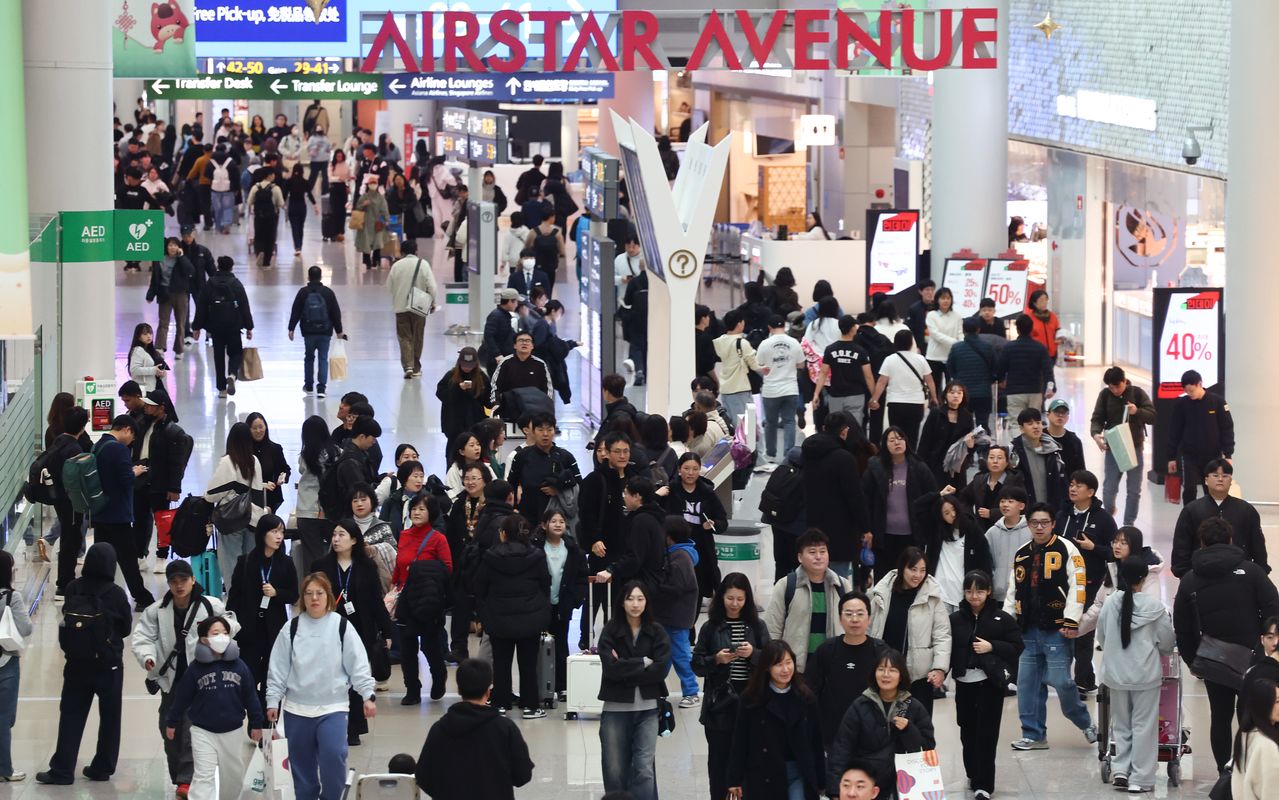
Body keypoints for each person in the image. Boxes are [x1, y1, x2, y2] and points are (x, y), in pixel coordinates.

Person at [1173, 517, 1279, 772]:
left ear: (1202, 543)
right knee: (1252, 717)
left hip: (1212, 659)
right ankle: (1248, 770)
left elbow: (1183, 627)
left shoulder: (1190, 579)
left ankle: (1223, 771)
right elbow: (1273, 606)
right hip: (1251, 657)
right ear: (1231, 540)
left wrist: (1192, 660)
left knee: (1219, 717)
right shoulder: (1251, 571)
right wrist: (1266, 643)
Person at [266, 573, 378, 800]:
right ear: (302, 598)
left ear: (328, 597)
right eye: (308, 593)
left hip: (333, 707)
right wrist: (272, 700)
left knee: (334, 755)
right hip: (297, 709)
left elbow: (358, 664)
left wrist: (367, 694)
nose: (314, 598)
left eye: (319, 593)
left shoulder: (342, 627)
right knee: (302, 768)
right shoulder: (291, 628)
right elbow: (277, 668)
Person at [132, 558, 238, 797]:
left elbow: (231, 623)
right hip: (170, 680)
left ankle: (187, 779)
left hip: (201, 678)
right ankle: (178, 775)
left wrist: (219, 636)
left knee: (191, 727)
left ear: (193, 580)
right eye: (174, 581)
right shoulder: (156, 611)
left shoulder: (209, 606)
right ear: (169, 584)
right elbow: (142, 638)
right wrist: (148, 657)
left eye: (184, 580)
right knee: (169, 728)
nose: (179, 586)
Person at [36, 543, 132, 786]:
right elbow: (126, 628)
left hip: (77, 663)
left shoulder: (73, 588)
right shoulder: (116, 593)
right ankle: (102, 767)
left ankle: (62, 770)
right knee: (110, 717)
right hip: (108, 664)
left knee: (71, 715)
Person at [1003, 502, 1096, 750]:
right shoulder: (1022, 553)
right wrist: (1006, 622)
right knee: (1027, 684)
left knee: (1061, 681)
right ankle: (1033, 734)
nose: (1040, 527)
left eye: (1045, 522)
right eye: (1034, 523)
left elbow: (1077, 585)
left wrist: (1071, 619)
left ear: (1053, 524)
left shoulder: (1067, 548)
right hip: (1027, 631)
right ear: (1028, 525)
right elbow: (1013, 590)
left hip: (1057, 629)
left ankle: (1084, 721)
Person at [1095, 556, 1175, 793]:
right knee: (1144, 726)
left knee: (1121, 724)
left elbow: (1101, 637)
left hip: (1116, 675)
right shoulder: (1155, 607)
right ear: (1143, 578)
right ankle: (1140, 778)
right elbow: (1168, 643)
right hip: (1145, 675)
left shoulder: (1110, 603)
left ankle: (1121, 770)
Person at [164, 615, 265, 800]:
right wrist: (172, 721)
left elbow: (251, 696)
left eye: (225, 633)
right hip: (203, 731)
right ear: (204, 639)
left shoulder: (239, 667)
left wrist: (257, 723)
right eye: (216, 633)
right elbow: (182, 698)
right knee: (203, 776)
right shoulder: (195, 669)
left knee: (233, 777)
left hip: (232, 731)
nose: (221, 637)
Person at [314, 519, 394, 747]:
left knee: (355, 679)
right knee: (331, 679)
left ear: (354, 540)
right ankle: (329, 725)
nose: (336, 539)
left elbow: (376, 601)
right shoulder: (321, 566)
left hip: (360, 629)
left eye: (342, 535)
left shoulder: (366, 566)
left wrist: (386, 629)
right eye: (334, 535)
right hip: (328, 629)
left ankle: (354, 728)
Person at [693, 573, 771, 800]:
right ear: (721, 598)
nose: (735, 604)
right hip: (720, 705)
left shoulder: (757, 627)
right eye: (730, 598)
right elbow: (696, 665)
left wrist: (753, 655)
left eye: (740, 599)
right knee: (718, 766)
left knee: (751, 763)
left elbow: (771, 662)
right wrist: (716, 659)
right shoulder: (710, 627)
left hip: (751, 702)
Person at [949, 570, 1023, 800]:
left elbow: (1016, 646)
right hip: (964, 683)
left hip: (990, 684)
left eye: (979, 591)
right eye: (969, 591)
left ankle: (984, 785)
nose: (974, 596)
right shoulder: (955, 619)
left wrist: (992, 647)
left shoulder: (1002, 618)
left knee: (987, 734)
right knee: (967, 731)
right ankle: (973, 774)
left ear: (989, 591)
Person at [415, 658, 534, 800]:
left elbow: (423, 776)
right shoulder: (505, 728)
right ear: (488, 692)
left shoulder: (440, 729)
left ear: (459, 689)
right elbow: (522, 775)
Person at [826, 648, 936, 800]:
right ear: (874, 673)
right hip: (866, 785)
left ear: (901, 675)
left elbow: (927, 749)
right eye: (881, 669)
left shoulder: (914, 706)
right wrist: (835, 791)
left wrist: (909, 730)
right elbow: (842, 748)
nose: (886, 675)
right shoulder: (860, 705)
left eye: (892, 670)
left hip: (904, 785)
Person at [598, 580, 672, 800]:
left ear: (647, 602)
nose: (635, 604)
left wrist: (625, 667)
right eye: (630, 598)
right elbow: (609, 669)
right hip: (615, 709)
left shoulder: (656, 631)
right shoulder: (611, 630)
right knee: (614, 770)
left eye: (640, 598)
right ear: (621, 602)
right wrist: (642, 663)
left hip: (648, 708)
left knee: (643, 768)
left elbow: (660, 670)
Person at [725, 640, 825, 800]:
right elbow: (740, 740)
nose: (785, 669)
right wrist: (734, 779)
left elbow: (816, 742)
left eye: (788, 662)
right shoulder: (751, 699)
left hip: (799, 770)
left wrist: (821, 781)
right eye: (778, 664)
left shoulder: (806, 697)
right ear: (767, 667)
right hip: (764, 771)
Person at [475, 514, 551, 717]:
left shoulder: (491, 556)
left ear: (502, 534)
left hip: (499, 618)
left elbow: (480, 587)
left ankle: (500, 703)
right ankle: (531, 706)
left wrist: (485, 613)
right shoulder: (537, 555)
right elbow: (545, 584)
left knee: (501, 663)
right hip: (530, 617)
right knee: (528, 664)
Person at [866, 547, 950, 716]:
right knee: (883, 725)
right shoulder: (881, 593)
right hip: (886, 672)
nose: (918, 575)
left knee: (915, 728)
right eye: (913, 569)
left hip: (918, 676)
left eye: (922, 570)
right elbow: (869, 627)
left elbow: (942, 635)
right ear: (902, 568)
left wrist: (940, 668)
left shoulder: (933, 597)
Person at [224, 515, 298, 707]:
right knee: (248, 678)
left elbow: (294, 595)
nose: (279, 536)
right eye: (274, 531)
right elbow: (234, 597)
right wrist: (230, 626)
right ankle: (256, 717)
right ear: (262, 534)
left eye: (281, 531)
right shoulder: (246, 561)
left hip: (274, 630)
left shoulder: (286, 563)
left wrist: (277, 593)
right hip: (249, 631)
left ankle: (267, 725)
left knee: (272, 679)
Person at [1054, 469, 1117, 693]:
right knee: (1063, 629)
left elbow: (1115, 552)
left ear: (1090, 491)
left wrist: (1093, 548)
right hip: (1062, 582)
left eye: (1079, 485)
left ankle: (1083, 680)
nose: (1073, 488)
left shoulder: (1104, 519)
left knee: (1083, 632)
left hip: (1090, 582)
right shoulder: (1062, 515)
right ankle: (1062, 678)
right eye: (1071, 484)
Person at [763, 529, 852, 674]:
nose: (818, 557)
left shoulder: (842, 586)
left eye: (823, 551)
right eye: (812, 552)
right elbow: (773, 628)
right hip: (796, 669)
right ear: (800, 557)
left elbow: (853, 626)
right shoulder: (786, 585)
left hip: (832, 667)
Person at [394, 494, 453, 704]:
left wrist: (421, 571)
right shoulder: (403, 535)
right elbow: (399, 566)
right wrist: (394, 588)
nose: (416, 513)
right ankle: (412, 688)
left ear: (431, 513)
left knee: (430, 645)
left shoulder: (438, 538)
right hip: (406, 597)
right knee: (407, 647)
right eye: (414, 508)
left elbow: (447, 569)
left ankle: (439, 676)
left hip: (428, 599)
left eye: (422, 509)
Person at [806, 592, 885, 748]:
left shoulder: (881, 651)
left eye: (860, 614)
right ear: (840, 619)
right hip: (833, 734)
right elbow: (810, 690)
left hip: (871, 734)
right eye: (848, 614)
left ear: (869, 619)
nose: (854, 619)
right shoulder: (826, 650)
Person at [92, 415, 155, 609]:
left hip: (100, 511)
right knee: (128, 559)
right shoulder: (118, 449)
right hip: (117, 514)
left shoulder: (98, 445)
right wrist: (135, 472)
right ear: (127, 429)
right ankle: (142, 598)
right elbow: (125, 480)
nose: (132, 441)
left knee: (102, 557)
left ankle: (98, 596)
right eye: (133, 436)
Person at [799, 413, 871, 579]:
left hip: (813, 526)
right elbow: (855, 497)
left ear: (824, 428)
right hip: (841, 533)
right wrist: (865, 527)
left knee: (815, 579)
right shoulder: (844, 459)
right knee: (838, 583)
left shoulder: (808, 452)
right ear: (844, 432)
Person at [862, 427, 937, 581]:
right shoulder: (875, 467)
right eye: (892, 439)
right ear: (885, 444)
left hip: (912, 536)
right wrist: (867, 529)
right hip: (883, 537)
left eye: (900, 438)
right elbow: (865, 500)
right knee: (885, 580)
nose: (897, 442)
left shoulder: (919, 467)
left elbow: (933, 497)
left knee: (909, 579)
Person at [1171, 458, 1268, 577]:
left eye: (1225, 475)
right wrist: (1185, 573)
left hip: (1239, 573)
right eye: (1215, 475)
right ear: (1206, 480)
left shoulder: (1246, 510)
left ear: (1231, 481)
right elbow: (1181, 545)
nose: (1220, 479)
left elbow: (1257, 544)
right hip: (1200, 573)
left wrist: (1260, 571)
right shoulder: (1192, 510)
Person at [1089, 366, 1157, 526]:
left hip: (1135, 447)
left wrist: (1137, 411)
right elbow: (1097, 418)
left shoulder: (1138, 393)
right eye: (1110, 387)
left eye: (1117, 386)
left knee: (1134, 490)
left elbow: (1153, 416)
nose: (1114, 391)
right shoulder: (1105, 395)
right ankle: (1109, 512)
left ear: (1124, 381)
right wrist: (1096, 435)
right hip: (1114, 447)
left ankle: (1128, 524)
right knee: (1109, 489)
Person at [205, 421, 268, 587]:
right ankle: (250, 603)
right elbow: (258, 491)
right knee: (251, 567)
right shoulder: (255, 461)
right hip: (254, 519)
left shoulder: (227, 461)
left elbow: (211, 494)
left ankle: (235, 604)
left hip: (232, 520)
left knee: (231, 566)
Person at [532, 509, 587, 696]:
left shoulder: (572, 549)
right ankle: (540, 685)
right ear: (544, 525)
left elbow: (581, 577)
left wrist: (575, 600)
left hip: (562, 605)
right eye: (553, 521)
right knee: (538, 646)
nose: (558, 524)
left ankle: (561, 685)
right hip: (540, 605)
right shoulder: (536, 547)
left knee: (561, 645)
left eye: (561, 521)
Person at [913, 492, 993, 612]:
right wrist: (939, 494)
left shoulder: (973, 531)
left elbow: (985, 563)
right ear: (941, 516)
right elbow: (916, 507)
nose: (953, 514)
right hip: (939, 595)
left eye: (954, 509)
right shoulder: (936, 532)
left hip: (964, 596)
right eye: (946, 513)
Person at [651, 516, 701, 707]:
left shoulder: (680, 557)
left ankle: (691, 691)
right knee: (665, 653)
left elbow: (677, 586)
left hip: (676, 616)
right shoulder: (676, 554)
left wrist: (656, 585)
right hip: (670, 615)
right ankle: (657, 688)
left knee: (680, 655)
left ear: (669, 536)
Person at [1165, 369, 1235, 505]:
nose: (1190, 394)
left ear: (1200, 384)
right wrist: (1171, 457)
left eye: (1192, 390)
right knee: (1189, 489)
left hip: (1213, 456)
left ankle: (1212, 520)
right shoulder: (1182, 404)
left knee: (1211, 490)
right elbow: (1174, 431)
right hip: (1190, 456)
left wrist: (1228, 455)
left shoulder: (1217, 402)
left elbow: (1227, 429)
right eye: (1187, 391)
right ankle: (1189, 519)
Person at [663, 451, 726, 600]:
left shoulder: (707, 493)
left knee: (697, 591)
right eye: (686, 468)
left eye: (695, 469)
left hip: (702, 551)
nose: (690, 473)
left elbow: (722, 521)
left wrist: (713, 524)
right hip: (676, 549)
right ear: (679, 469)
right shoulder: (670, 491)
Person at [192, 256, 254, 399]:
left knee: (218, 357)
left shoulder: (210, 283)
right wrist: (249, 327)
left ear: (218, 267)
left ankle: (221, 389)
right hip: (233, 326)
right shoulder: (236, 284)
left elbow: (201, 306)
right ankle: (232, 373)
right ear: (231, 267)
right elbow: (244, 306)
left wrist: (197, 327)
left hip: (215, 327)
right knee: (236, 353)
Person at [506, 412, 580, 525]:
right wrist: (513, 508)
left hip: (558, 518)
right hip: (528, 515)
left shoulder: (565, 457)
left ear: (554, 431)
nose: (545, 434)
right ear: (533, 431)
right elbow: (511, 484)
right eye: (540, 430)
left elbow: (579, 485)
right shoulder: (522, 456)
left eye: (549, 430)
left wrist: (559, 492)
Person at [869, 330, 936, 450]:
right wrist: (934, 397)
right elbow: (930, 380)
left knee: (897, 434)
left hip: (895, 403)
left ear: (895, 343)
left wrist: (874, 399)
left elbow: (882, 381)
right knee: (913, 435)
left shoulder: (889, 359)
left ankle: (897, 457)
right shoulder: (920, 359)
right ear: (911, 343)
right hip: (916, 403)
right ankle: (911, 460)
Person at [287, 266, 345, 396]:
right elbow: (335, 313)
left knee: (309, 357)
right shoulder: (328, 293)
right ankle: (321, 388)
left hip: (308, 332)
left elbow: (295, 310)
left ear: (308, 277)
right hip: (325, 331)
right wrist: (339, 331)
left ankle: (308, 385)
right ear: (320, 277)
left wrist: (291, 328)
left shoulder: (303, 293)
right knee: (323, 358)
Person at [757, 315, 805, 462]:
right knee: (789, 421)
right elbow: (801, 364)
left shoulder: (765, 344)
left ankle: (770, 455)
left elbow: (759, 364)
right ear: (784, 326)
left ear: (769, 328)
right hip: (790, 388)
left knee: (770, 423)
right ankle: (789, 454)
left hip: (771, 390)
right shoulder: (794, 342)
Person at [0, 552, 31, 781]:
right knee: (4, 717)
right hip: (6, 660)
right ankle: (4, 769)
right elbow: (26, 628)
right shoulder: (12, 597)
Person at [387, 239, 437, 378]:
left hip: (401, 307)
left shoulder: (397, 266)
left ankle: (407, 366)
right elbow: (432, 286)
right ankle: (415, 366)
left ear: (402, 252)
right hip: (419, 307)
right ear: (416, 251)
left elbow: (389, 287)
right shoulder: (423, 264)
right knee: (418, 337)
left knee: (404, 337)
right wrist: (432, 301)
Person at [813, 315, 875, 425]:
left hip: (836, 395)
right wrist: (874, 397)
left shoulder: (830, 349)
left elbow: (823, 373)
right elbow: (868, 376)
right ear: (852, 329)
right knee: (854, 429)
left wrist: (816, 394)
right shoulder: (860, 351)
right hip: (856, 395)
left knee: (836, 429)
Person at [996, 314, 1056, 421]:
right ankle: (1031, 438)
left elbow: (1001, 367)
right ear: (1032, 329)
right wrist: (1051, 387)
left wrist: (1000, 380)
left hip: (1014, 391)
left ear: (1017, 329)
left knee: (1015, 421)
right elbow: (1048, 370)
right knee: (1033, 422)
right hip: (1035, 390)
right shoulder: (1040, 348)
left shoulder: (1009, 347)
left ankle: (1018, 438)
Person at [917, 382, 976, 490]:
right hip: (936, 462)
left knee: (957, 498)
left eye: (959, 393)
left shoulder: (967, 416)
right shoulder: (936, 413)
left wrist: (971, 445)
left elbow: (971, 448)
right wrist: (921, 464)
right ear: (945, 395)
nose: (956, 396)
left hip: (957, 466)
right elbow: (925, 441)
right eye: (952, 392)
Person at [1010, 407, 1067, 511]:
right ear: (1022, 428)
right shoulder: (1014, 451)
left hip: (1049, 510)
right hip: (1024, 511)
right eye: (1030, 424)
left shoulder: (1052, 450)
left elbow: (1061, 483)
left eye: (1038, 422)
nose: (1036, 427)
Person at [948, 445, 1024, 522]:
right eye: (991, 457)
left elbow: (1021, 507)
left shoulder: (1015, 481)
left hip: (1007, 527)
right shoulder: (979, 479)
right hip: (981, 530)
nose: (995, 461)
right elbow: (963, 499)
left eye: (1000, 458)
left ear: (1007, 462)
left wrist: (992, 514)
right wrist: (970, 517)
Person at [1232, 675, 1279, 800]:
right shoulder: (1268, 746)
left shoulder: (1245, 736)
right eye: (1277, 701)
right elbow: (1272, 793)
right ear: (1264, 705)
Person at [946, 318, 998, 432]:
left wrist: (958, 379)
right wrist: (990, 379)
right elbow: (995, 368)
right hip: (984, 392)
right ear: (978, 330)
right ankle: (983, 448)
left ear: (963, 330)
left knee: (963, 425)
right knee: (983, 424)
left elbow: (949, 367)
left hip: (963, 393)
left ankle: (965, 449)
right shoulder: (988, 347)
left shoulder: (956, 348)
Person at [490, 331, 554, 420]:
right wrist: (496, 404)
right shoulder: (505, 362)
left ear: (532, 346)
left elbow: (548, 389)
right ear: (514, 345)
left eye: (528, 341)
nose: (524, 343)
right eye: (521, 340)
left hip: (534, 409)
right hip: (510, 408)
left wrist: (545, 406)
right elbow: (495, 386)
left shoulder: (540, 364)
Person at [983, 485, 1030, 604]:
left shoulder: (1031, 531)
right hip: (997, 595)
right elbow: (987, 563)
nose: (1005, 504)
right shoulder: (992, 532)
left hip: (1024, 593)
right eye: (1002, 501)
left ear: (1021, 506)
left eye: (1010, 501)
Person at [149, 238, 196, 359]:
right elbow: (155, 278)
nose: (172, 248)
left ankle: (179, 349)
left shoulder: (182, 259)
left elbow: (190, 271)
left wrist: (181, 257)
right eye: (170, 245)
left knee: (180, 323)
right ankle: (159, 348)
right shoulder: (159, 259)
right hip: (164, 293)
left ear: (179, 247)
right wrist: (151, 294)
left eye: (175, 245)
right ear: (166, 246)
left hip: (180, 294)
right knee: (163, 322)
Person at [713, 309, 761, 424]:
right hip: (740, 387)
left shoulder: (719, 342)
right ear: (739, 324)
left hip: (725, 388)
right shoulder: (742, 343)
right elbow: (755, 365)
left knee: (734, 425)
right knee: (748, 426)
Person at [246, 412, 290, 514]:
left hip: (270, 498)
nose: (258, 431)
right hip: (249, 499)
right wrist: (264, 483)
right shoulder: (245, 451)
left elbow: (285, 469)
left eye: (261, 427)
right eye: (254, 428)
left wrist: (283, 477)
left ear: (266, 427)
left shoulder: (275, 449)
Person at [245, 168, 284, 267]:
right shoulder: (275, 188)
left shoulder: (255, 187)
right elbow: (281, 204)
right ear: (269, 175)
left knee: (258, 237)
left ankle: (259, 252)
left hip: (258, 216)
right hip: (272, 217)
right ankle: (266, 262)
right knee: (270, 239)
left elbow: (249, 202)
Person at [923, 287, 961, 387]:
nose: (946, 301)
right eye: (943, 298)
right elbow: (935, 334)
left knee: (952, 386)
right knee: (934, 386)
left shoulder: (956, 316)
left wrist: (962, 344)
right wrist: (956, 342)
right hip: (934, 356)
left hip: (951, 356)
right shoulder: (931, 315)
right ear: (937, 300)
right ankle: (934, 402)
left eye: (948, 298)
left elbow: (960, 333)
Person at [479, 288, 521, 373]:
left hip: (504, 358)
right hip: (496, 360)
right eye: (516, 302)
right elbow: (488, 336)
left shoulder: (505, 315)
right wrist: (497, 354)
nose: (517, 305)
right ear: (510, 301)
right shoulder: (496, 316)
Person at [354, 175, 390, 269]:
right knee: (366, 243)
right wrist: (363, 204)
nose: (373, 185)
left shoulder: (380, 198)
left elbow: (385, 209)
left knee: (377, 242)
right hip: (365, 223)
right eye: (371, 183)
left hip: (377, 223)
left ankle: (376, 260)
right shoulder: (364, 197)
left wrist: (387, 220)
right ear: (368, 185)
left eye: (374, 183)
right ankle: (366, 261)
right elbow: (357, 207)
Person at [1044, 398, 1086, 476]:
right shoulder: (1041, 437)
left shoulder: (1074, 441)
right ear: (1048, 415)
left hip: (1068, 486)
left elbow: (1081, 470)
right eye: (1057, 412)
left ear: (1067, 417)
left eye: (1064, 413)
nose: (1060, 415)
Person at [1027, 289, 1063, 360]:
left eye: (1046, 300)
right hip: (1036, 354)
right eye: (1041, 300)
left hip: (1052, 354)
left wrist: (1060, 339)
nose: (1045, 302)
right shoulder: (1029, 317)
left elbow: (1058, 332)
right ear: (1034, 303)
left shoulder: (1052, 316)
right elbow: (1026, 336)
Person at [324, 150, 351, 242]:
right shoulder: (332, 165)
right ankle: (334, 232)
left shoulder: (346, 165)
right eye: (337, 156)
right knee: (334, 210)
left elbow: (348, 176)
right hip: (334, 188)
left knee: (342, 211)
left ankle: (341, 231)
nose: (339, 158)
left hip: (343, 188)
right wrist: (339, 178)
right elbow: (330, 178)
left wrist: (347, 185)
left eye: (341, 156)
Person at [905, 280, 937, 353]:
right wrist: (915, 346)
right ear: (920, 291)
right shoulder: (914, 308)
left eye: (932, 289)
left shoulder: (937, 307)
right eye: (927, 290)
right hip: (920, 345)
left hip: (935, 344)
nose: (930, 292)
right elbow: (910, 329)